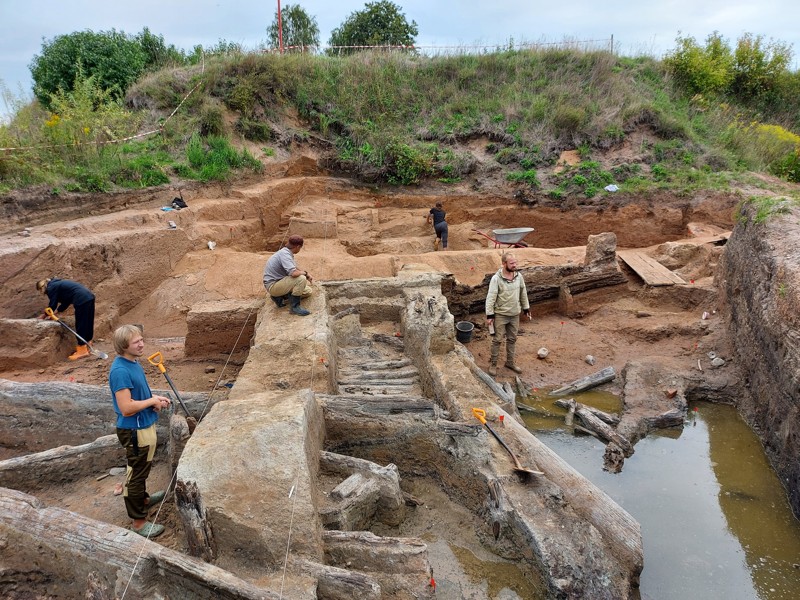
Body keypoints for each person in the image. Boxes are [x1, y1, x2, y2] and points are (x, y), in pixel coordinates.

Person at [109, 324, 171, 538]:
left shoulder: (133, 363)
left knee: (141, 469)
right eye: (136, 342)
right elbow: (126, 408)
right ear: (124, 346)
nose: (142, 344)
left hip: (143, 425)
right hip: (134, 429)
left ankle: (143, 499)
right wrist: (151, 401)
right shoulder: (120, 371)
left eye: (141, 339)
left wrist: (154, 400)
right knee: (136, 474)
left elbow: (138, 396)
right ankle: (139, 521)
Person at [485, 252, 531, 377]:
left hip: (515, 314)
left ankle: (510, 362)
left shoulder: (519, 276)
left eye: (515, 263)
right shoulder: (496, 279)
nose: (514, 265)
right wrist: (490, 315)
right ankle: (493, 364)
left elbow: (523, 292)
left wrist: (526, 308)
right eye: (512, 263)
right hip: (500, 314)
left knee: (512, 339)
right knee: (497, 340)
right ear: (504, 264)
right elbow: (491, 297)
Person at [36, 277, 96, 360]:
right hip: (89, 296)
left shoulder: (51, 287)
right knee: (88, 321)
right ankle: (88, 344)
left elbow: (52, 306)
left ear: (42, 287)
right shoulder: (58, 284)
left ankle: (82, 350)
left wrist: (43, 316)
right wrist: (56, 312)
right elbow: (66, 301)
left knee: (81, 324)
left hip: (81, 299)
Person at [263, 235, 313, 316]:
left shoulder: (286, 252)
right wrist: (305, 274)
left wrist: (306, 273)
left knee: (308, 291)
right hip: (273, 285)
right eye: (300, 248)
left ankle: (280, 297)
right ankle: (295, 308)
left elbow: (294, 268)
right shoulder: (285, 254)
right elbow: (293, 273)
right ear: (298, 246)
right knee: (301, 279)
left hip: (279, 283)